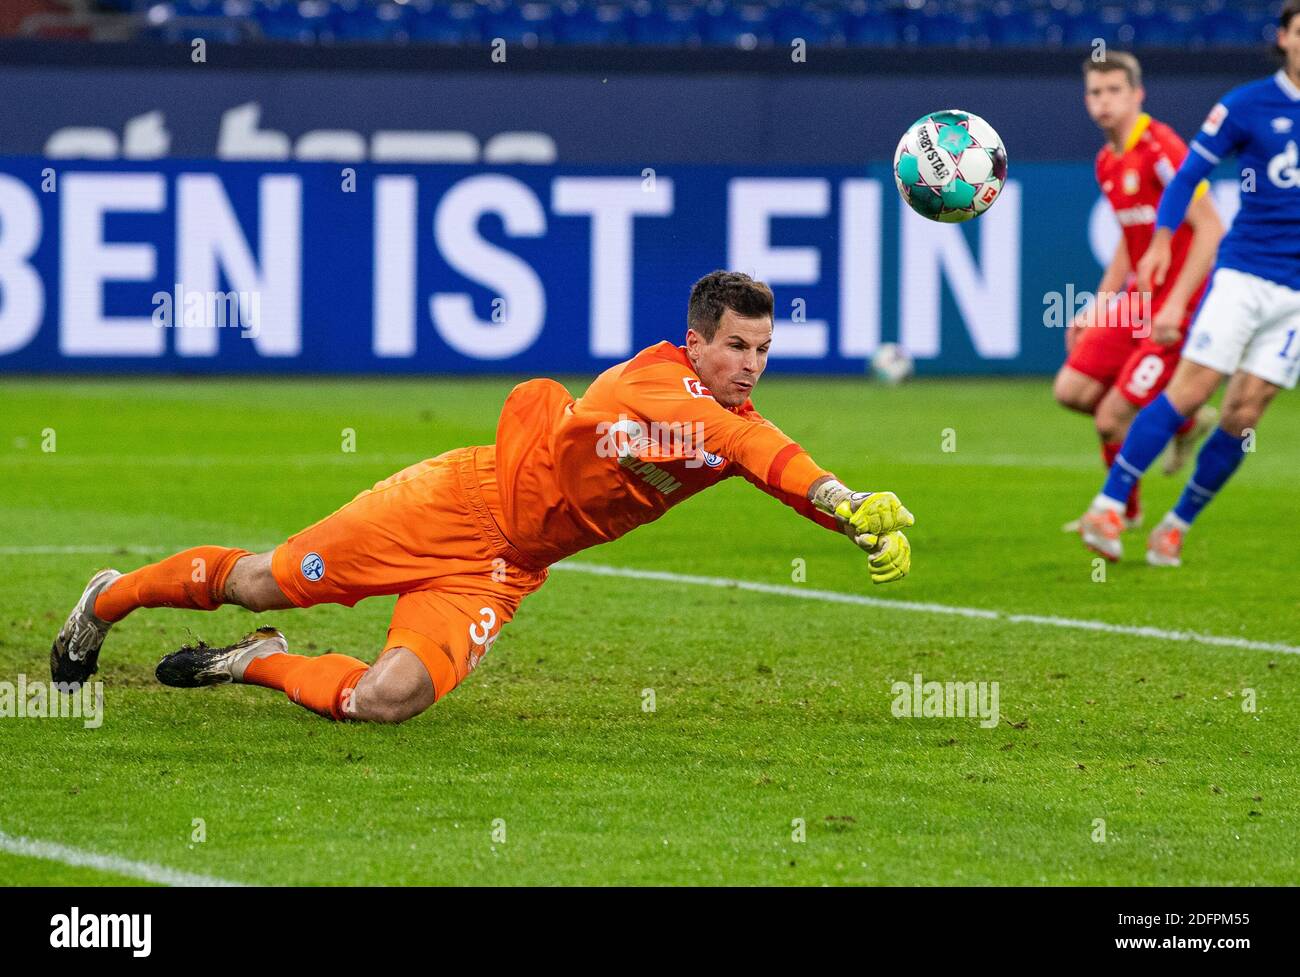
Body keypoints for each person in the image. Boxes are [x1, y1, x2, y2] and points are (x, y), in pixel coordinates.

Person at [50, 271, 914, 723]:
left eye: (763, 349)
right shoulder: (654, 384)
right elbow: (748, 446)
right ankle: (107, 599)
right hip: (454, 503)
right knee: (265, 576)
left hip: (505, 567)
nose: (752, 365)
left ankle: (255, 660)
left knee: (387, 700)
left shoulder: (731, 419)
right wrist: (845, 492)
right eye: (736, 346)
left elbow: (766, 464)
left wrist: (850, 521)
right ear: (695, 344)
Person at [1078, 3, 1300, 566]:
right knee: (1191, 391)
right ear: (1284, 39)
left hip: (1296, 299)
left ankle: (1176, 524)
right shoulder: (1246, 105)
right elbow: (1187, 181)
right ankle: (1108, 505)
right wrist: (1159, 241)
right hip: (1246, 275)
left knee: (1245, 415)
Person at [1054, 51, 1223, 535]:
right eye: (1095, 92)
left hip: (1179, 304)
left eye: (1113, 91)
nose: (1103, 101)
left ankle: (1121, 509)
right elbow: (1132, 245)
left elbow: (1210, 229)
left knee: (1110, 418)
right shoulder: (1107, 160)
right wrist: (1099, 304)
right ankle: (1184, 423)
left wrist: (1174, 303)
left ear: (1136, 95)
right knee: (1072, 390)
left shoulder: (1161, 146)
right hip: (1139, 302)